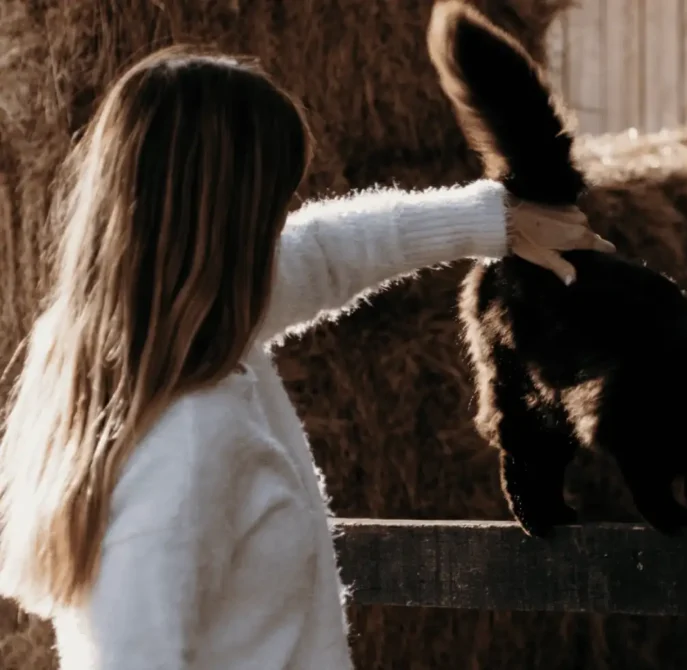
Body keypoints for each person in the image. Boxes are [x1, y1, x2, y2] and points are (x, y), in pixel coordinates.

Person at [0, 46, 614, 669]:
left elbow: (325, 253)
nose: (281, 232)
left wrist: (499, 219)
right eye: (272, 210)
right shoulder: (189, 439)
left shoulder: (111, 344)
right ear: (227, 228)